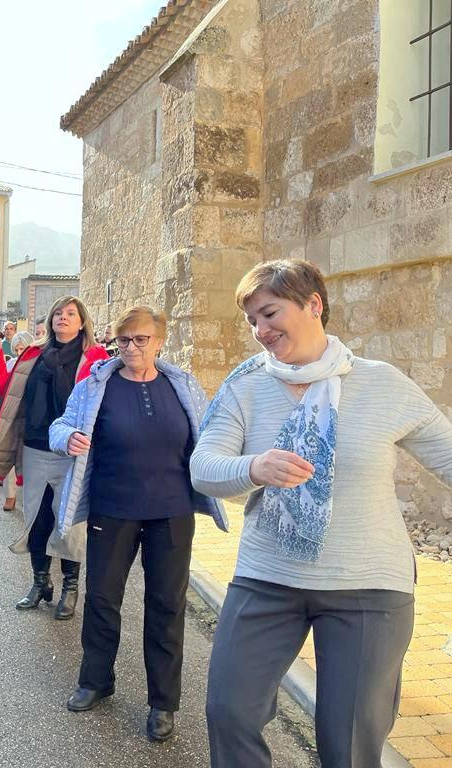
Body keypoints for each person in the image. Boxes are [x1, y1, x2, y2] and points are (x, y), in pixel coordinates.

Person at [191, 259, 452, 768]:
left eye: (269, 313)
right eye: (252, 321)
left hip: (369, 587)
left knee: (349, 744)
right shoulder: (245, 386)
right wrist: (257, 466)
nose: (261, 331)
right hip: (267, 577)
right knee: (230, 712)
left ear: (314, 305)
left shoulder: (383, 383)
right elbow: (204, 467)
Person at [48, 305, 227, 742]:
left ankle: (163, 703)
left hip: (172, 510)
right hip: (113, 507)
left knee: (167, 605)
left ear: (159, 341)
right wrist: (66, 439)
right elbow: (60, 426)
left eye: (140, 339)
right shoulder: (97, 385)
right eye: (124, 340)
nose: (131, 348)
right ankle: (96, 680)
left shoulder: (180, 384)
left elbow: (212, 435)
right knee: (104, 598)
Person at [0, 296, 109, 619]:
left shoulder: (96, 357)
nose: (63, 318)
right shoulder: (34, 355)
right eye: (58, 313)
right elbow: (10, 390)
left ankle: (70, 589)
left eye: (71, 314)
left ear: (82, 321)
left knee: (70, 524)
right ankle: (40, 583)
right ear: (50, 320)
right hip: (35, 446)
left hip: (73, 452)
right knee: (37, 520)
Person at [1, 331, 33, 512]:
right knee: (9, 457)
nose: (20, 352)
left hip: (31, 416)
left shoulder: (38, 364)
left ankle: (29, 498)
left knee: (30, 459)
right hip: (12, 415)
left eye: (23, 348)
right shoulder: (11, 364)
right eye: (17, 348)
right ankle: (10, 495)